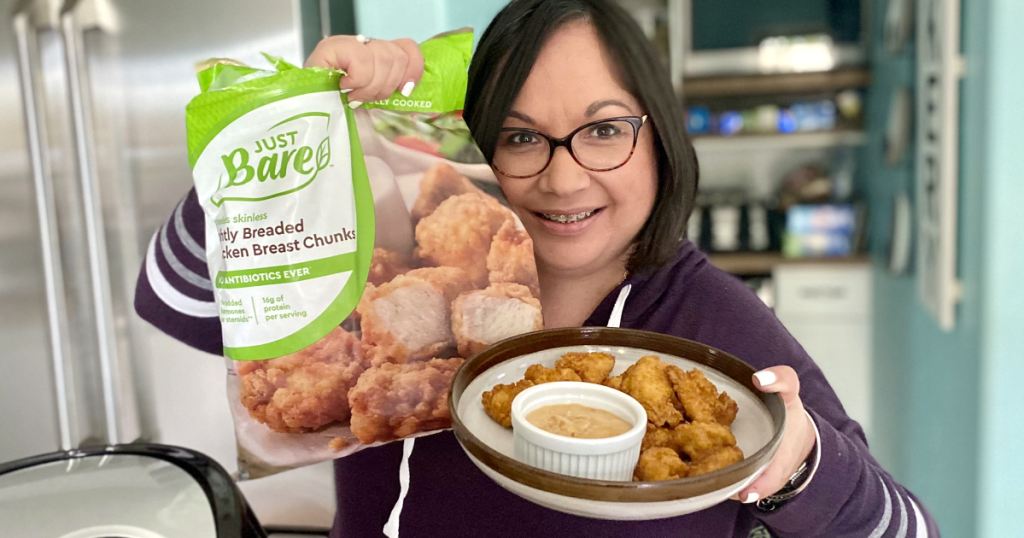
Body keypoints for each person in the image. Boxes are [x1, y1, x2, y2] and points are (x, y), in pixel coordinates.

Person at [135, 0, 940, 536]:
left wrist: (795, 463)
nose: (561, 178)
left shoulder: (709, 326)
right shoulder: (387, 277)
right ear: (477, 148)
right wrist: (292, 139)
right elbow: (170, 296)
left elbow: (906, 528)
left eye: (602, 132)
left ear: (658, 136)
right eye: (520, 138)